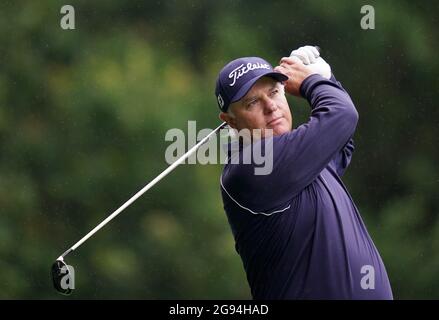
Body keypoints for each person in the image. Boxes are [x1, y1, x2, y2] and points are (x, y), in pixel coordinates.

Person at [215, 46, 393, 299]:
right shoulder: (251, 167)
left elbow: (342, 140)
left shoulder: (301, 159)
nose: (271, 107)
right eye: (252, 102)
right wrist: (312, 81)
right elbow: (342, 114)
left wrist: (328, 80)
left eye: (274, 92)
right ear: (231, 121)